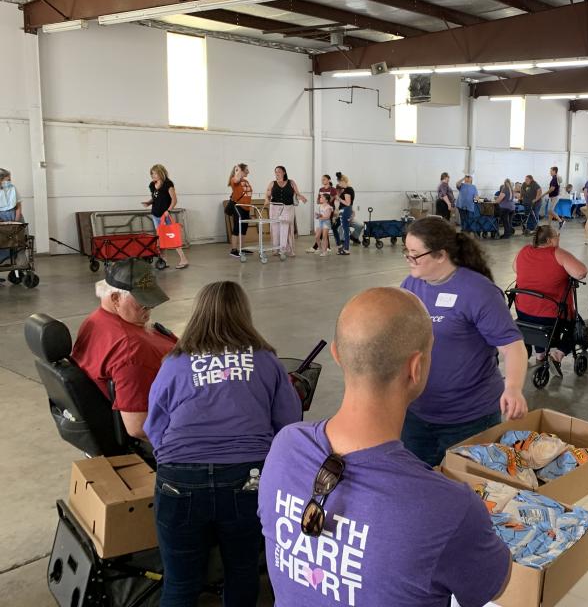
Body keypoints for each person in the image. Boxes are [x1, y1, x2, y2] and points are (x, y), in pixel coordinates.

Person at [259, 287, 512, 607]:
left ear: (336, 354)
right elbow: (493, 588)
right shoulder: (449, 508)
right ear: (416, 368)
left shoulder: (285, 447)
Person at [145, 281, 302, 607]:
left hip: (180, 478)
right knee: (243, 569)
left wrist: (178, 464)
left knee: (180, 581)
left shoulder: (175, 362)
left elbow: (154, 426)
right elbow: (289, 424)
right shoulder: (266, 361)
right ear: (244, 313)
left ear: (198, 313)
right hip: (247, 477)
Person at [400, 218, 527, 466]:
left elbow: (513, 347)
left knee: (468, 490)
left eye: (415, 254)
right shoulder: (411, 285)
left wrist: (512, 388)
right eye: (407, 252)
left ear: (440, 255)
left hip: (468, 418)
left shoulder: (479, 292)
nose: (409, 259)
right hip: (417, 413)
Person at [71, 259, 176, 440]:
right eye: (142, 301)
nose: (150, 306)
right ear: (115, 298)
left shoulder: (95, 321)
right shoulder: (132, 351)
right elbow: (138, 427)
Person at [514, 226, 588, 365]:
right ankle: (558, 355)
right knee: (573, 324)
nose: (558, 237)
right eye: (556, 235)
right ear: (549, 240)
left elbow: (515, 268)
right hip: (550, 315)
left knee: (536, 320)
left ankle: (540, 354)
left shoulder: (524, 251)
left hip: (523, 311)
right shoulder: (558, 253)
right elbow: (581, 272)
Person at [142, 164, 188, 270]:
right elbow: (155, 198)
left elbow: (174, 200)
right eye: (152, 173)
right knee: (161, 238)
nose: (153, 175)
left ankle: (183, 259)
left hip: (164, 216)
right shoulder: (152, 185)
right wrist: (148, 203)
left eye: (155, 173)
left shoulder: (168, 184)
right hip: (155, 215)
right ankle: (164, 261)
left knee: (172, 237)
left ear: (161, 173)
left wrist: (168, 210)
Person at [266, 166, 308, 257]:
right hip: (274, 208)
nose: (277, 173)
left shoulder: (291, 183)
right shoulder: (272, 183)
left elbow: (297, 193)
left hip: (288, 207)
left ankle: (287, 250)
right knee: (275, 228)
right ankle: (275, 249)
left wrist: (301, 197)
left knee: (287, 228)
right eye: (276, 172)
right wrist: (266, 200)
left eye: (279, 171)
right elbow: (267, 195)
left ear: (284, 172)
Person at [227, 163, 253, 258]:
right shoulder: (234, 180)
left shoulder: (245, 181)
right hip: (238, 207)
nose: (248, 172)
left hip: (246, 208)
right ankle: (233, 250)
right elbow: (236, 179)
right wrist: (237, 170)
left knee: (244, 229)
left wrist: (248, 209)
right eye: (246, 170)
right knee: (237, 228)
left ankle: (242, 248)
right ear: (241, 171)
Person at [0, 168, 23, 266]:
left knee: (19, 242)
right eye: (7, 180)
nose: (9, 182)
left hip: (15, 215)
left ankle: (20, 266)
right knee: (3, 243)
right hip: (1, 217)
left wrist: (16, 221)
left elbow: (18, 205)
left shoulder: (12, 188)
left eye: (10, 179)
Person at [334, 173, 355, 256]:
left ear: (342, 181)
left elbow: (348, 203)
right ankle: (343, 247)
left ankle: (346, 249)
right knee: (340, 228)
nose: (339, 184)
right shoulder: (347, 189)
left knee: (345, 229)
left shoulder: (348, 190)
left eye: (339, 182)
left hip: (345, 209)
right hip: (344, 210)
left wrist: (338, 198)